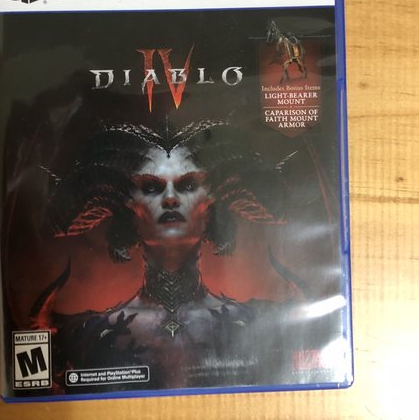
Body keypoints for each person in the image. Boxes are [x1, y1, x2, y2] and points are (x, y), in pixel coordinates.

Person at [31, 121, 309, 392]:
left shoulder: (260, 324)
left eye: (187, 185)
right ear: (131, 210)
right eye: (152, 188)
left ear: (209, 207)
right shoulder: (86, 333)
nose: (170, 199)